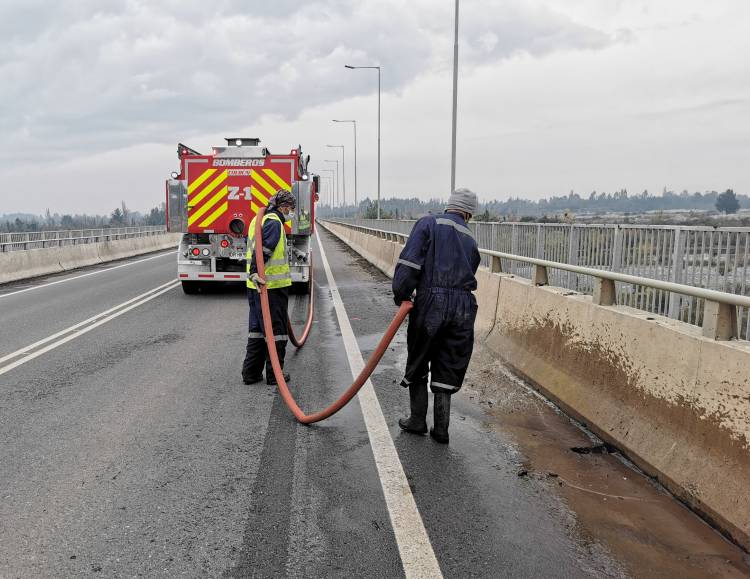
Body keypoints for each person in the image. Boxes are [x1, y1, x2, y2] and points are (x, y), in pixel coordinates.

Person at [392, 188, 481, 443]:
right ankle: (441, 430)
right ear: (468, 213)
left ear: (449, 206)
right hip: (463, 308)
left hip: (432, 302)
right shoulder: (469, 238)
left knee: (420, 357)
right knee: (449, 362)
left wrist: (402, 293)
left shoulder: (428, 223)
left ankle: (417, 420)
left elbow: (410, 263)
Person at [241, 189, 296, 386]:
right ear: (285, 207)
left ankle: (251, 373)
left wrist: (253, 275)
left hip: (254, 286)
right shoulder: (274, 222)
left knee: (257, 330)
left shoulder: (259, 219)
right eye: (291, 209)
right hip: (271, 286)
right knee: (277, 331)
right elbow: (264, 250)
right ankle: (275, 375)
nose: (292, 213)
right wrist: (256, 271)